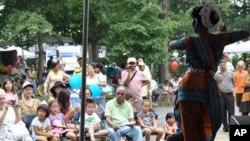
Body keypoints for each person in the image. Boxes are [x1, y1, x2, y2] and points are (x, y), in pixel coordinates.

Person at [167, 4, 250, 141]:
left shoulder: (190, 41)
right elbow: (245, 32)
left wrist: (181, 42)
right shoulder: (220, 39)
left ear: (195, 22)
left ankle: (181, 134)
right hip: (209, 89)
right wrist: (224, 34)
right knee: (206, 125)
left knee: (190, 128)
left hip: (191, 87)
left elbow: (172, 45)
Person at [215, 60, 235, 132]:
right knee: (222, 112)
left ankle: (231, 126)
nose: (222, 66)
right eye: (220, 65)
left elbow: (234, 83)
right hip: (221, 95)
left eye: (223, 64)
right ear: (219, 66)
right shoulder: (217, 75)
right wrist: (218, 91)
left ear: (226, 65)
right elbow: (216, 84)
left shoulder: (231, 73)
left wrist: (232, 90)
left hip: (229, 94)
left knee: (231, 112)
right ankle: (225, 126)